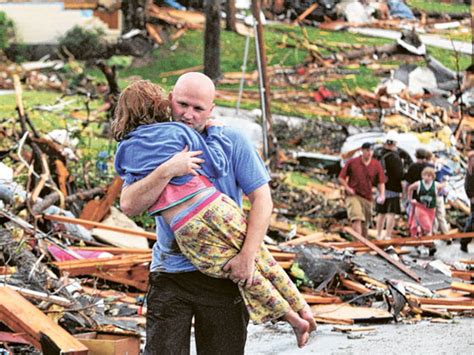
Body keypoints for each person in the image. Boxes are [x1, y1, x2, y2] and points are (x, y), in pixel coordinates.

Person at [118, 73, 313, 354]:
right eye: (182, 104)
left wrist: (246, 257)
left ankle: (299, 314)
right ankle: (296, 316)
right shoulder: (155, 144)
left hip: (224, 273)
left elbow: (262, 199)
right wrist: (169, 169)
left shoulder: (232, 140)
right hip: (170, 272)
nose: (188, 114)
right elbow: (128, 204)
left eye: (198, 109)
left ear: (211, 109)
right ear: (169, 99)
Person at [338, 142, 385, 238]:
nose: (369, 153)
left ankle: (363, 244)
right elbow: (341, 178)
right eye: (367, 150)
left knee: (365, 224)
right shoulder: (353, 162)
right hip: (353, 195)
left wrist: (382, 194)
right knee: (357, 217)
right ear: (362, 151)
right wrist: (347, 188)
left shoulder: (376, 165)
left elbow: (381, 182)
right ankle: (358, 243)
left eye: (371, 150)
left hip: (367, 197)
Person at [375, 132, 404, 240]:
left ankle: (378, 235)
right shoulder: (395, 157)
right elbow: (399, 174)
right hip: (393, 187)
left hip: (381, 187)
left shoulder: (379, 154)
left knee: (381, 212)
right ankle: (387, 235)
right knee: (391, 212)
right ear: (394, 144)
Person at [407, 167, 444, 237]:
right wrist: (410, 199)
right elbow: (410, 188)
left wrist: (437, 194)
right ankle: (428, 237)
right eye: (425, 175)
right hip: (420, 207)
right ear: (422, 175)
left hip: (431, 209)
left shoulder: (436, 184)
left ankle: (422, 238)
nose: (427, 177)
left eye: (429, 176)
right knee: (426, 225)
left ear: (433, 177)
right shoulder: (419, 184)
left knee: (427, 224)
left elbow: (442, 186)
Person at [461, 151, 474, 252]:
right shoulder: (470, 171)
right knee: (471, 222)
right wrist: (471, 197)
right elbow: (467, 186)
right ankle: (464, 242)